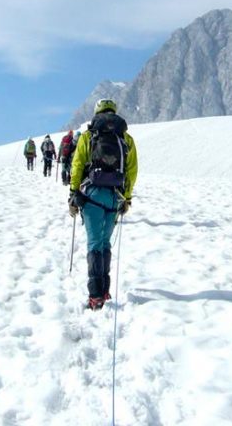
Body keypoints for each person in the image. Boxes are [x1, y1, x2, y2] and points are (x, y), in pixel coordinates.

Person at [68, 99, 138, 310]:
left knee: (94, 243)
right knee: (105, 243)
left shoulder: (89, 135)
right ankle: (105, 290)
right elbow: (132, 171)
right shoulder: (125, 138)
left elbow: (78, 164)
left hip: (92, 195)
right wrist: (126, 198)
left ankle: (95, 295)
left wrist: (73, 193)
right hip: (114, 196)